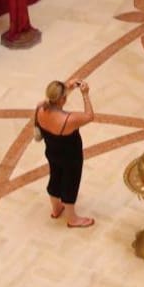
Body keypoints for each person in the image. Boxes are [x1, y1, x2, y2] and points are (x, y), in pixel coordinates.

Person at [35, 79, 95, 228]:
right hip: (70, 157)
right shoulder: (68, 119)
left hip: (52, 153)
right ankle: (72, 219)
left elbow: (54, 99)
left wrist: (68, 87)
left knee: (55, 176)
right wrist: (85, 94)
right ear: (63, 99)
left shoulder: (40, 109)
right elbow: (89, 116)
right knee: (70, 183)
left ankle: (56, 208)